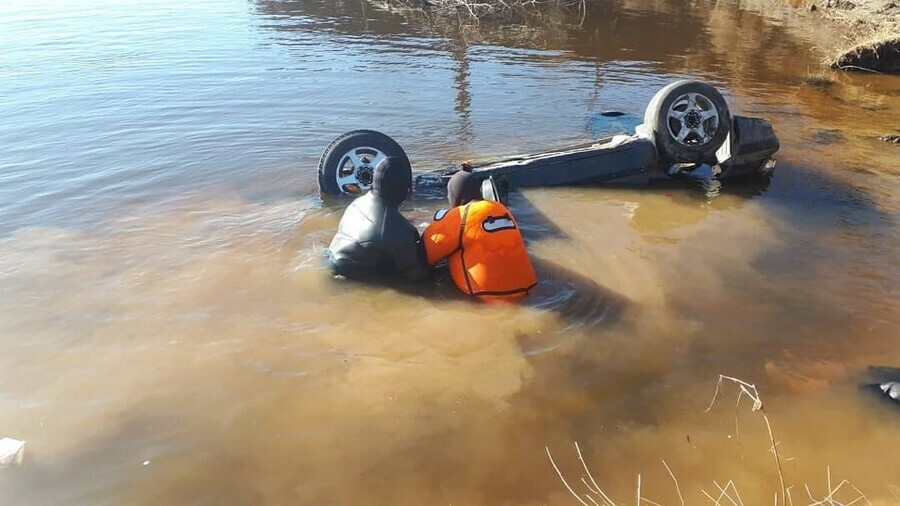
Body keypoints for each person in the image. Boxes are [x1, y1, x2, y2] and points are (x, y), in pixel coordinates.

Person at [422, 171, 537, 301]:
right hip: (529, 289)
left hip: (487, 297)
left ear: (456, 197)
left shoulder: (460, 215)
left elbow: (426, 253)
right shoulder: (501, 208)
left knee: (452, 248)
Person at [327, 156, 429, 283]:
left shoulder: (356, 204)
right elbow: (416, 276)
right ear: (406, 191)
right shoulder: (402, 232)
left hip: (332, 262)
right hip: (352, 282)